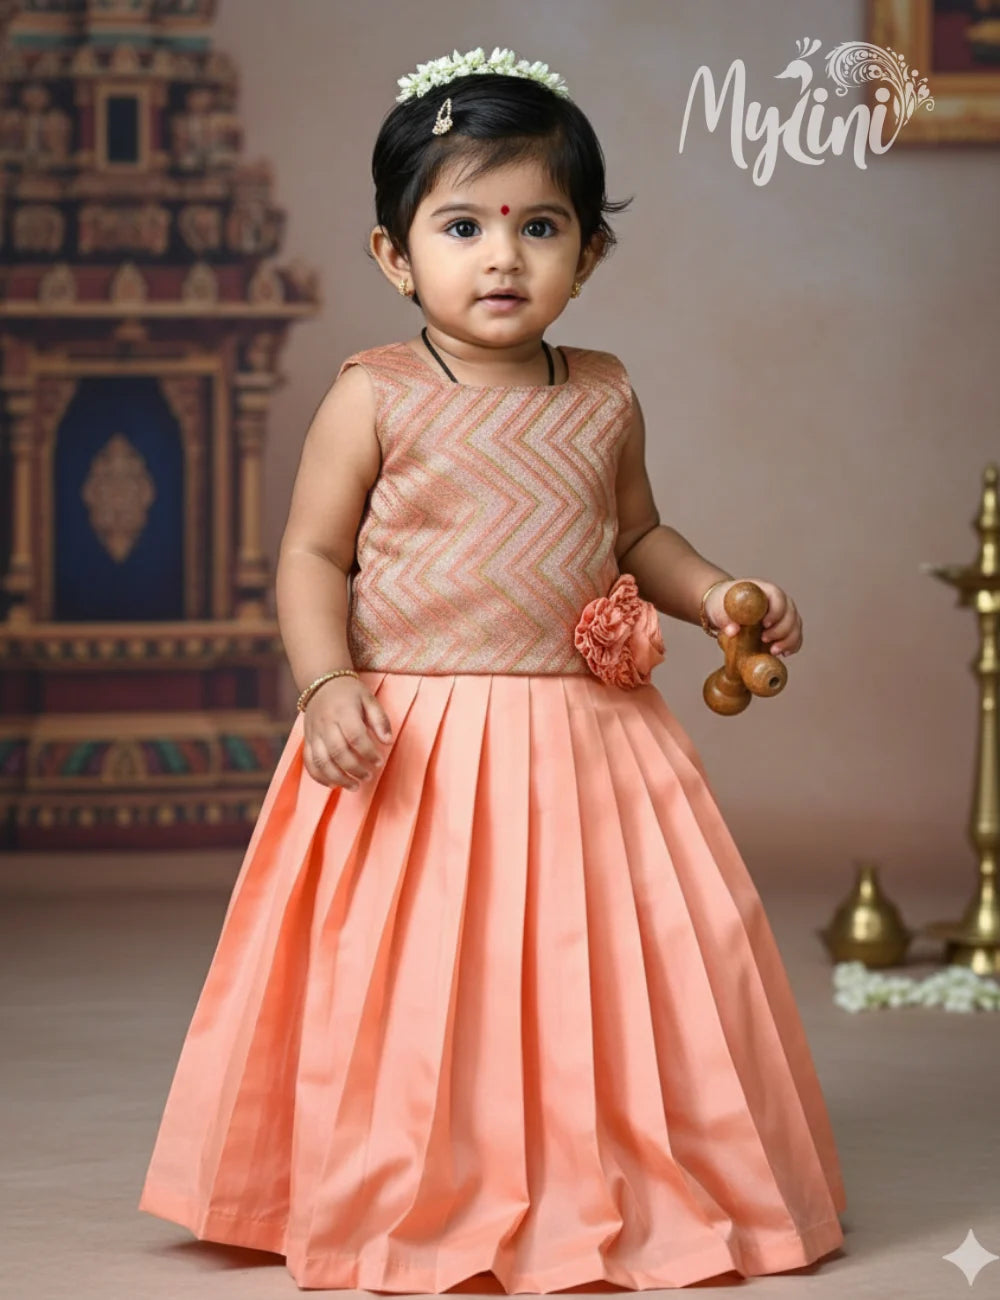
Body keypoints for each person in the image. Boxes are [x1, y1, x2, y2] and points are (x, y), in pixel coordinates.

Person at [138, 46, 846, 1293]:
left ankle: (600, 1158)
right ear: (394, 258)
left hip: (584, 739)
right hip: (413, 735)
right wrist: (325, 684)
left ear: (589, 256)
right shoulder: (377, 394)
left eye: (539, 225)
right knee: (412, 974)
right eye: (462, 225)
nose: (502, 256)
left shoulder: (604, 395)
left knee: (619, 959)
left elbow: (636, 535)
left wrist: (717, 593)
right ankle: (416, 1167)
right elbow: (310, 555)